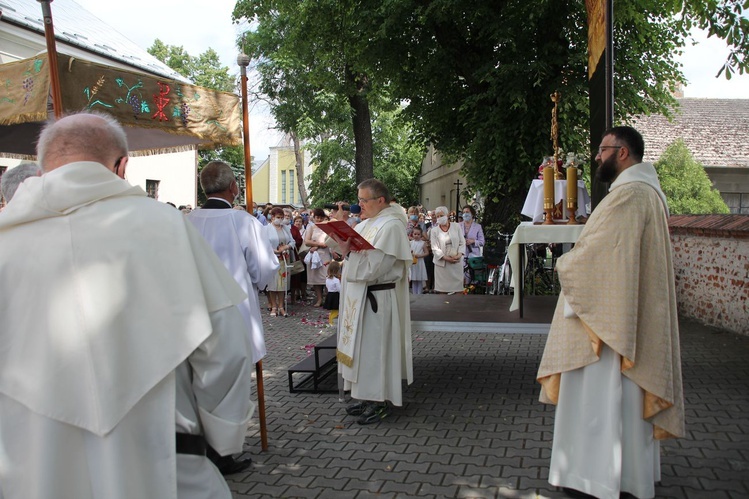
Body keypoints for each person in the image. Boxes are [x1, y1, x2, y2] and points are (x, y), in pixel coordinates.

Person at [0, 112, 254, 499]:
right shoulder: (164, 225)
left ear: (42, 165)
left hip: (33, 465)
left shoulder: (6, 242)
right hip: (162, 457)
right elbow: (226, 346)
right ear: (122, 164)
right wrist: (223, 433)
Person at [537, 126, 684, 499]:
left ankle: (596, 479)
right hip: (622, 312)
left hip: (608, 323)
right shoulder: (639, 192)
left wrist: (565, 265)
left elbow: (604, 255)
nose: (597, 157)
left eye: (602, 150)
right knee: (621, 400)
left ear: (622, 153)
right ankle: (626, 476)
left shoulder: (631, 195)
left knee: (601, 399)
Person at [186, 160, 279, 474]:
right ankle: (222, 452)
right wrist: (258, 284)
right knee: (232, 383)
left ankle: (199, 444)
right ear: (233, 187)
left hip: (194, 307)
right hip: (234, 308)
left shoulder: (185, 220)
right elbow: (264, 267)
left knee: (199, 379)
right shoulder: (242, 221)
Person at [329, 179, 413, 425]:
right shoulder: (369, 223)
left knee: (375, 352)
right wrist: (340, 232)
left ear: (381, 200)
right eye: (359, 200)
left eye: (364, 200)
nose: (359, 205)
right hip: (360, 298)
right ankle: (365, 397)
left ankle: (379, 403)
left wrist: (348, 254)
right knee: (362, 351)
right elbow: (351, 251)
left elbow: (373, 269)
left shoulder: (392, 226)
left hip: (377, 298)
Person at [263, 207, 295, 317]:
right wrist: (274, 250)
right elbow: (263, 244)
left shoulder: (285, 228)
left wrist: (287, 246)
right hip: (272, 259)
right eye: (278, 217)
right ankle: (274, 306)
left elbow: (292, 241)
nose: (280, 220)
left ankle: (281, 306)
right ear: (272, 217)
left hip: (284, 258)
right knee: (272, 284)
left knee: (282, 284)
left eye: (281, 218)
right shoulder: (266, 229)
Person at [430, 205, 466, 294]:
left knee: (458, 290)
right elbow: (434, 248)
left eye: (441, 215)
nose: (439, 218)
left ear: (447, 215)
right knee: (442, 290)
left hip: (456, 261)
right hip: (442, 264)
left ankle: (457, 307)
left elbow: (462, 242)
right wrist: (446, 258)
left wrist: (459, 255)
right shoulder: (434, 230)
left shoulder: (456, 226)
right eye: (437, 216)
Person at [304, 207, 334, 307]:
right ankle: (319, 299)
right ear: (314, 217)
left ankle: (328, 298)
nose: (319, 220)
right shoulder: (311, 227)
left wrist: (318, 245)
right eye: (317, 217)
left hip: (325, 254)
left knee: (326, 276)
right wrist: (316, 245)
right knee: (316, 278)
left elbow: (328, 241)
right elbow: (307, 241)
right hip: (315, 255)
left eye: (321, 218)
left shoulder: (327, 226)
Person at [409, 226, 428, 294]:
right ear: (412, 234)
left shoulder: (423, 243)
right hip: (413, 263)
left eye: (418, 234)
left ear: (421, 235)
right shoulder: (411, 243)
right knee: (414, 279)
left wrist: (420, 255)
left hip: (420, 262)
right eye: (415, 234)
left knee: (419, 279)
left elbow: (426, 253)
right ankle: (414, 293)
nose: (416, 236)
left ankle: (419, 293)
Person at [323, 260, 341, 324]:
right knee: (335, 310)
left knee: (333, 311)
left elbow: (327, 286)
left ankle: (331, 321)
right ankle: (331, 322)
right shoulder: (336, 280)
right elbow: (339, 289)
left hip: (330, 294)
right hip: (335, 296)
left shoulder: (327, 278)